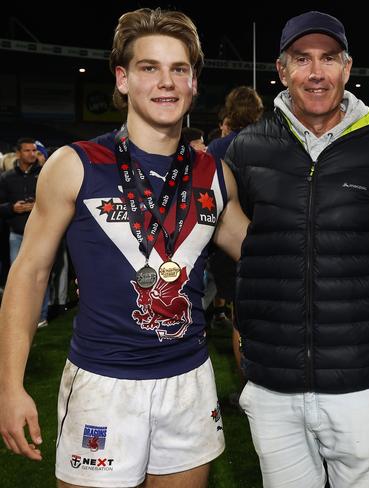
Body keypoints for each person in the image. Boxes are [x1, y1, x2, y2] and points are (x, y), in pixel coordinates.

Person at [0, 8, 248, 488]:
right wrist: (10, 386)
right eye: (149, 68)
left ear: (194, 82)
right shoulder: (76, 164)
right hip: (103, 383)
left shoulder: (215, 175)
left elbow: (259, 250)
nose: (166, 82)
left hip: (189, 381)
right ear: (123, 78)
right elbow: (28, 275)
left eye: (179, 69)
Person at [225, 10, 369, 488]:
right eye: (302, 59)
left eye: (329, 59)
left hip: (361, 382)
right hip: (274, 383)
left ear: (347, 68)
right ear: (282, 69)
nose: (316, 73)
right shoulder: (244, 149)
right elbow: (232, 233)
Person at [0, 137, 50, 328]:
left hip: (41, 234)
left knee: (40, 275)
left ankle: (41, 316)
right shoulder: (7, 177)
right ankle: (19, 315)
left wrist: (39, 205)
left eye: (34, 150)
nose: (32, 154)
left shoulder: (46, 173)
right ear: (19, 153)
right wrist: (13, 208)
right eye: (27, 150)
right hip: (17, 233)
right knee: (17, 278)